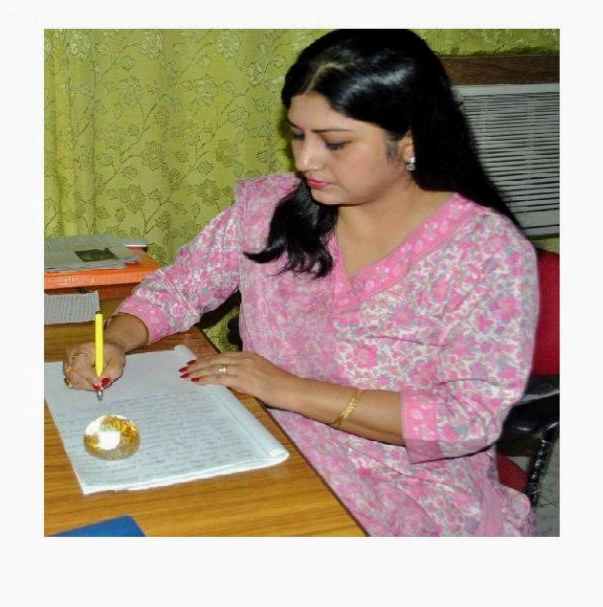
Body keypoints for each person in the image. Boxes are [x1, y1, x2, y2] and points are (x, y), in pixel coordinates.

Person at [63, 29, 539, 536]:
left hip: (407, 485)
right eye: (297, 134)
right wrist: (116, 340)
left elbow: (466, 419)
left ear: (410, 139)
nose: (306, 160)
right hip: (262, 437)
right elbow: (180, 288)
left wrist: (288, 390)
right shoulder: (269, 210)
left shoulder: (484, 252)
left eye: (334, 143)